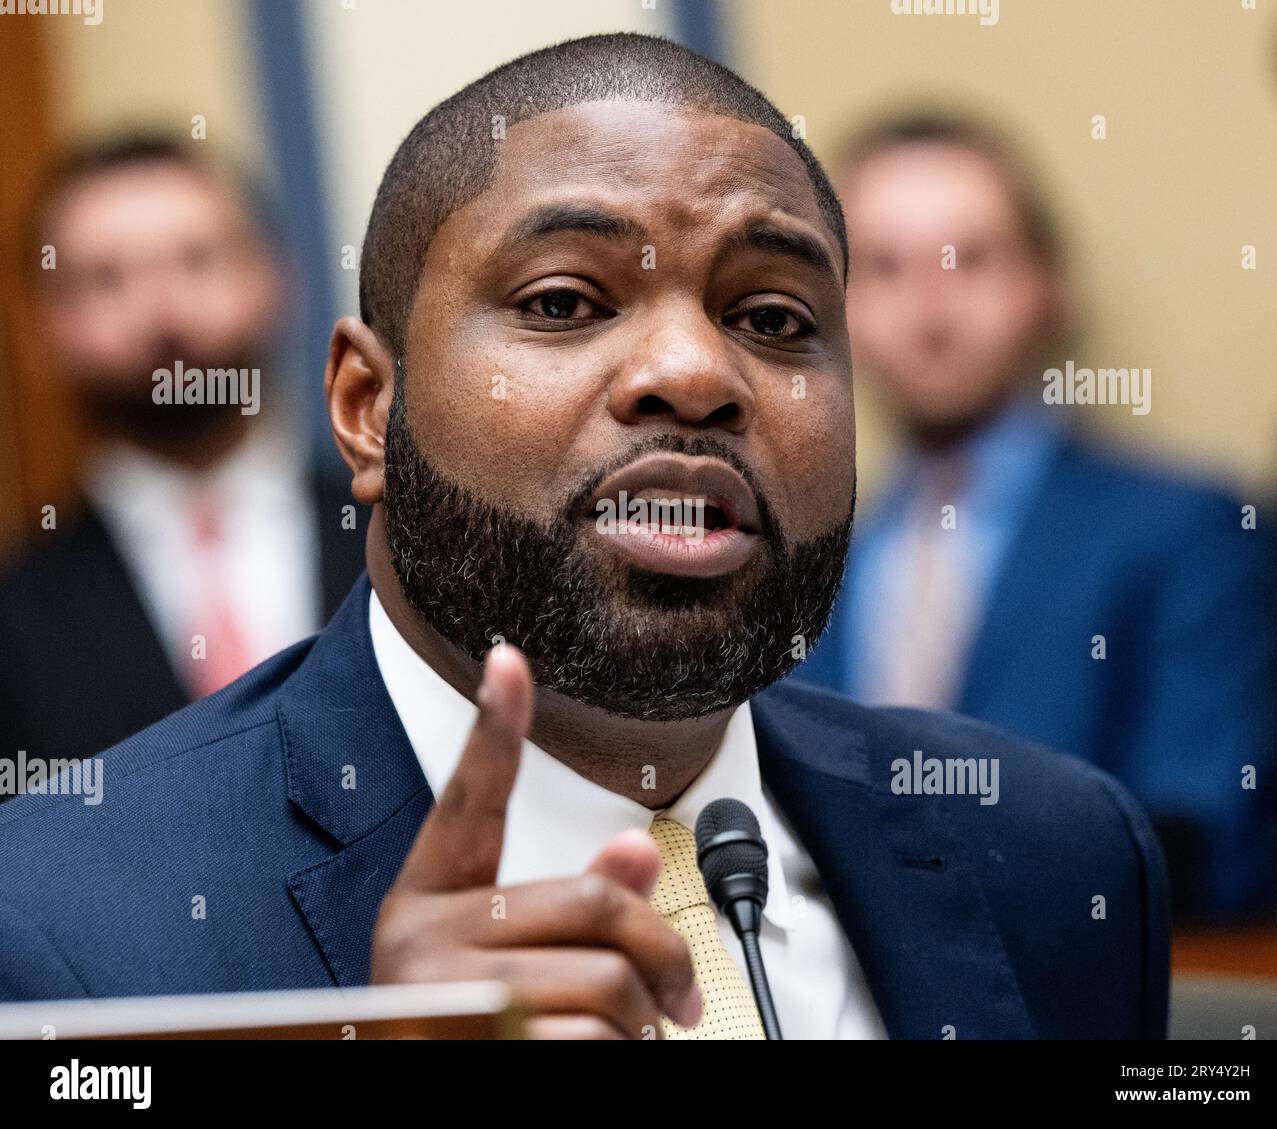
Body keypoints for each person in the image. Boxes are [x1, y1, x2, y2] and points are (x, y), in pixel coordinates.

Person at [0, 33, 1168, 1039]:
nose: (693, 374)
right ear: (367, 409)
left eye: (772, 317)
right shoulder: (58, 920)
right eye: (563, 301)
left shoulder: (1058, 856)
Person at [793, 114, 1277, 922]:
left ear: (1050, 284)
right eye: (882, 266)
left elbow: (1205, 834)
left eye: (972, 258)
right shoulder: (805, 561)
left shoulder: (1180, 529)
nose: (930, 308)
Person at [0, 135, 364, 770]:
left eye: (196, 260)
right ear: (42, 327)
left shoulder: (410, 543)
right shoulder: (17, 618)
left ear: (277, 279)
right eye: (105, 278)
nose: (161, 311)